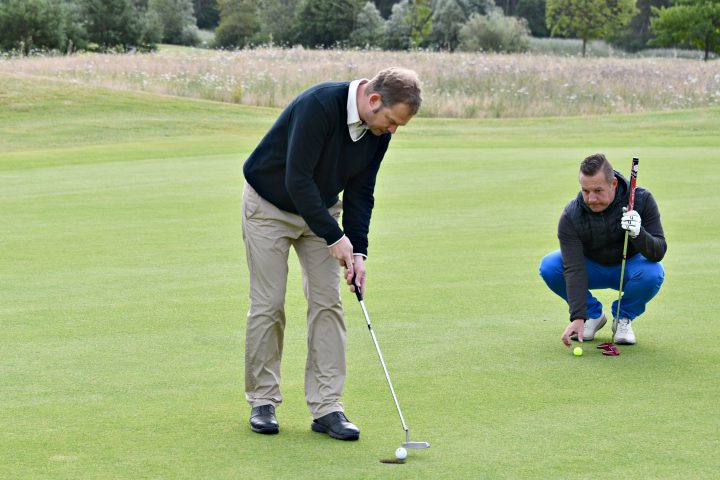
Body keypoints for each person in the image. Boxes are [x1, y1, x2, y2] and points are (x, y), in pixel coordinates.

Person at [241, 68, 422, 440]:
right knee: (269, 303)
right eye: (390, 121)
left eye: (397, 126)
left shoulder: (378, 134)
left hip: (322, 211)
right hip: (269, 207)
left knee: (328, 303)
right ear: (374, 101)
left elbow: (361, 192)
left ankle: (327, 407)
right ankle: (263, 400)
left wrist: (358, 252)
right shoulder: (319, 105)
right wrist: (334, 236)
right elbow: (297, 178)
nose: (392, 131)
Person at [539, 153, 667, 348]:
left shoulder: (642, 200)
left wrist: (638, 233)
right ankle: (593, 315)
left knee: (653, 273)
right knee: (550, 266)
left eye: (598, 190)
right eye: (585, 191)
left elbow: (658, 252)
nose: (591, 198)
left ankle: (622, 318)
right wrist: (578, 315)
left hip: (629, 268)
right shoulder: (571, 214)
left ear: (613, 184)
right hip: (590, 268)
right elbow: (573, 268)